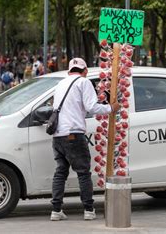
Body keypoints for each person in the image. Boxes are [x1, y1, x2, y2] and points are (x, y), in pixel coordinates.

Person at [50, 58, 120, 221]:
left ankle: (56, 210)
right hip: (73, 134)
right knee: (83, 173)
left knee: (60, 172)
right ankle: (89, 210)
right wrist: (111, 108)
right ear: (85, 70)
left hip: (58, 135)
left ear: (69, 71)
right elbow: (92, 107)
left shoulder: (61, 84)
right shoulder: (83, 82)